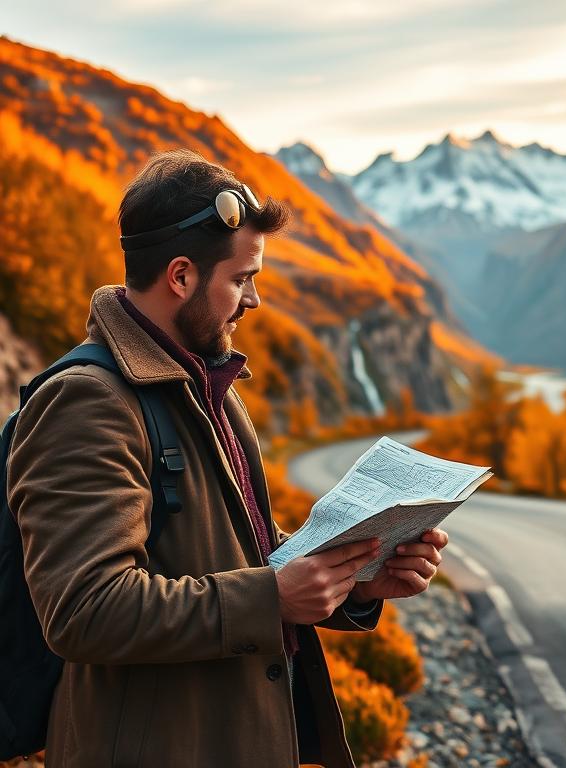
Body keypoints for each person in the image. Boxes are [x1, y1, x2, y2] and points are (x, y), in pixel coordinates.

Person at [7, 148, 448, 768]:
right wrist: (271, 600)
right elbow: (86, 609)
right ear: (181, 277)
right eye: (241, 279)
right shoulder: (87, 403)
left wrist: (355, 579)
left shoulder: (207, 388)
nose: (254, 300)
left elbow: (240, 553)